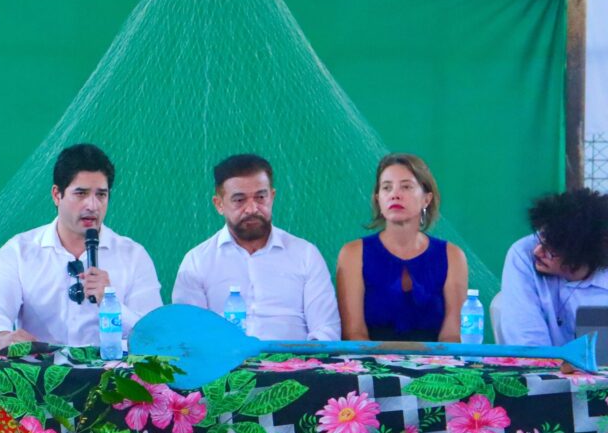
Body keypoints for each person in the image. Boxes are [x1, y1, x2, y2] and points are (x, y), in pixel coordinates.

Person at [0, 144, 162, 349]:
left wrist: (111, 303)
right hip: (40, 372)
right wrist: (1, 336)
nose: (92, 205)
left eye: (101, 195)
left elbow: (153, 334)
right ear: (57, 195)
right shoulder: (19, 251)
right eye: (81, 193)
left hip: (111, 375)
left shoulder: (133, 256)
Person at [172, 154, 340, 341]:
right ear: (219, 204)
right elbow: (189, 333)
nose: (252, 209)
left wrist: (303, 364)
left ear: (272, 197)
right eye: (239, 200)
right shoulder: (197, 261)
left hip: (296, 364)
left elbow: (326, 329)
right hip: (225, 366)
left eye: (261, 197)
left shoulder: (305, 254)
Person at [336, 153, 467, 342]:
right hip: (369, 366)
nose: (395, 194)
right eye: (387, 188)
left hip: (436, 365)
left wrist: (431, 368)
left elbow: (453, 335)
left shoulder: (453, 256)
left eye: (406, 187)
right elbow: (353, 333)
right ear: (378, 199)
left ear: (426, 199)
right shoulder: (352, 254)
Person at [499, 188, 608, 346]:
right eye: (541, 237)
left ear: (583, 255)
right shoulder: (523, 254)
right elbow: (527, 343)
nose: (537, 251)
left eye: (552, 250)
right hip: (539, 368)